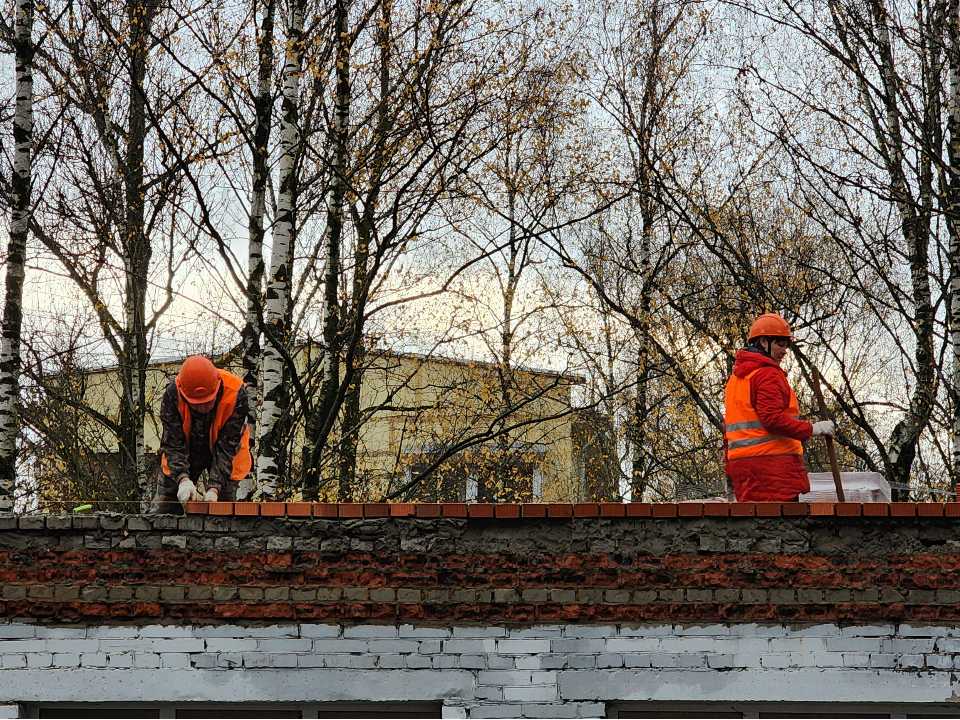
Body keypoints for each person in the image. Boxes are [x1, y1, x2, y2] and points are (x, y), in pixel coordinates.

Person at [724, 313, 835, 502]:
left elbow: (730, 433)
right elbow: (772, 419)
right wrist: (813, 429)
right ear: (763, 342)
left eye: (786, 345)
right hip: (773, 472)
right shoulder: (767, 375)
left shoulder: (736, 379)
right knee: (784, 525)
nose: (785, 351)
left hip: (743, 471)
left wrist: (729, 475)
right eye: (779, 344)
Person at [149, 356, 252, 513]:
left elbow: (228, 446)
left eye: (208, 402)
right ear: (184, 395)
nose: (203, 408)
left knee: (224, 513)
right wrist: (183, 480)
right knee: (165, 506)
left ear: (217, 389)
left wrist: (214, 489)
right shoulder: (172, 395)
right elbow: (172, 444)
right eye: (197, 404)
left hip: (228, 455)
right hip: (186, 450)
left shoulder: (236, 394)